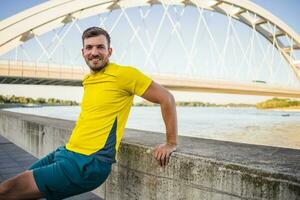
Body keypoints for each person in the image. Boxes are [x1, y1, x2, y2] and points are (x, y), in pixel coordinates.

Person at [0, 27, 177, 199]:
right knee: (18, 191)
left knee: (7, 190)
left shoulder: (125, 75)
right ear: (83, 51)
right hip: (66, 152)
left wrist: (170, 142)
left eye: (100, 47)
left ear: (110, 51)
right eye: (89, 47)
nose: (94, 52)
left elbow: (166, 98)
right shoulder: (88, 80)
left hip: (89, 163)